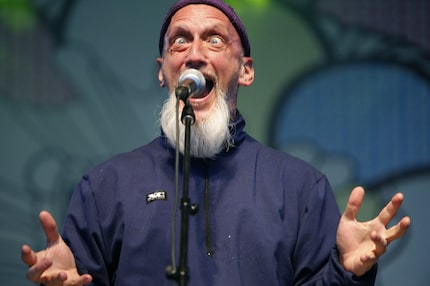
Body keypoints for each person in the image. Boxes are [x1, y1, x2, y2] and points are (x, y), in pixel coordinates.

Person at [21, 0, 411, 285]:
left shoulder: (300, 188)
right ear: (163, 73)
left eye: (214, 40)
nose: (194, 55)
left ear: (245, 70)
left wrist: (346, 271)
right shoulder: (104, 186)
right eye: (179, 42)